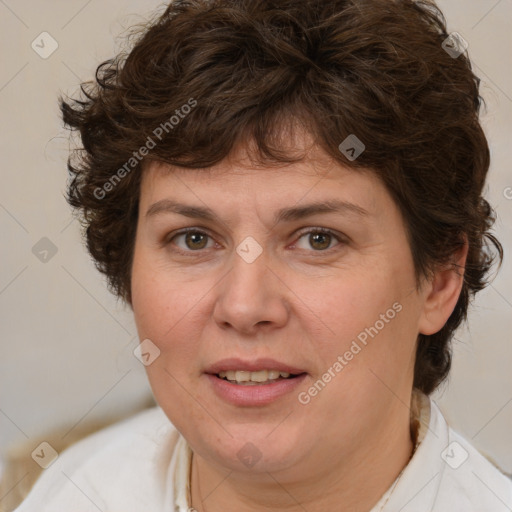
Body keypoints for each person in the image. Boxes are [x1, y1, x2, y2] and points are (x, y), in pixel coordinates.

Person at [14, 0, 512, 510]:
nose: (244, 307)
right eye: (194, 238)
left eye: (319, 239)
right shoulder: (73, 492)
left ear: (439, 279)